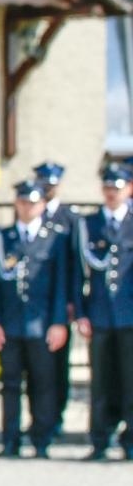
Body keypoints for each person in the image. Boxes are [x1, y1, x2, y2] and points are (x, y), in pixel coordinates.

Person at [0, 179, 70, 458]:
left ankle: (41, 440)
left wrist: (58, 322)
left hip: (41, 324)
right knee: (10, 385)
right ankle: (10, 440)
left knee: (42, 383)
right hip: (9, 324)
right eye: (22, 202)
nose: (27, 207)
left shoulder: (54, 239)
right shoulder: (3, 238)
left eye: (33, 202)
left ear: (43, 205)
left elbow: (60, 285)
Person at [77, 164, 133, 460]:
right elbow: (78, 272)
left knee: (130, 380)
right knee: (101, 381)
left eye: (118, 187)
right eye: (108, 188)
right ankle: (100, 439)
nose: (112, 193)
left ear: (129, 189)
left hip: (129, 314)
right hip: (99, 313)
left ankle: (130, 442)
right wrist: (81, 312)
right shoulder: (89, 224)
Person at [35, 161, 79, 437]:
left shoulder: (69, 218)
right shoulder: (34, 216)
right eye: (44, 183)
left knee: (58, 367)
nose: (47, 188)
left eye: (51, 184)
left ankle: (57, 417)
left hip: (60, 301)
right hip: (38, 305)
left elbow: (75, 265)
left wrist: (73, 303)